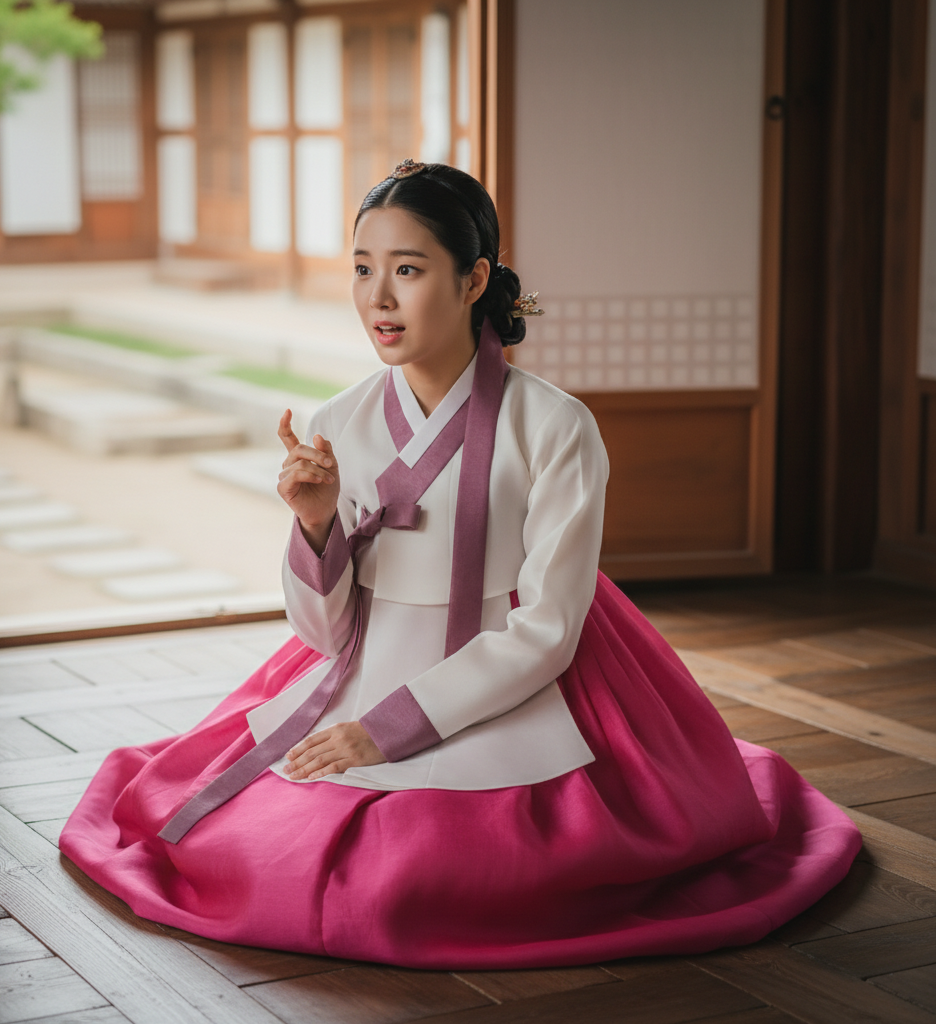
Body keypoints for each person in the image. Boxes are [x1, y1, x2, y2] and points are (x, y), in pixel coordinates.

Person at [60, 160, 860, 969]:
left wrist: (388, 730)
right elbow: (322, 632)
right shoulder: (340, 419)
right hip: (368, 657)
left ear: (474, 278)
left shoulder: (556, 426)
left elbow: (549, 626)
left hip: (518, 663)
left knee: (415, 884)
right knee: (241, 849)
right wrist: (313, 527)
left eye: (408, 270)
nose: (378, 298)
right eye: (363, 270)